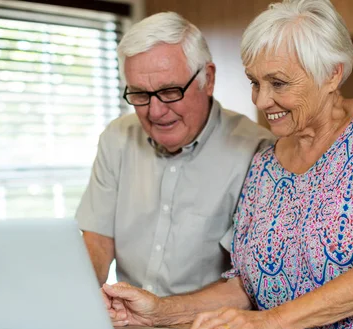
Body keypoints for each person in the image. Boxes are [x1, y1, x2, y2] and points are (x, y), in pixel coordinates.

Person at [101, 0, 353, 329]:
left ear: (332, 75)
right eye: (254, 82)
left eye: (277, 83)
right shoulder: (265, 163)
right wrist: (159, 312)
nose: (261, 101)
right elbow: (246, 288)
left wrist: (270, 322)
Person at [76, 12, 272, 296]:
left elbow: (246, 281)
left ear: (209, 79)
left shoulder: (257, 152)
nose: (155, 111)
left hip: (208, 327)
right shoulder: (116, 138)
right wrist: (70, 296)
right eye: (140, 95)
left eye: (170, 91)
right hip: (130, 325)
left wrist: (161, 314)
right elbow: (97, 242)